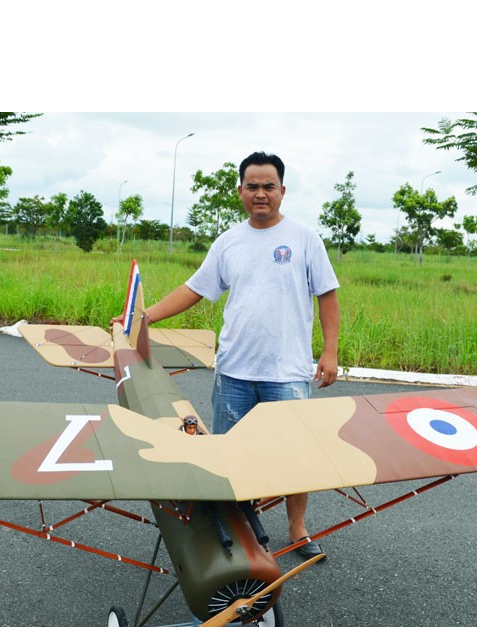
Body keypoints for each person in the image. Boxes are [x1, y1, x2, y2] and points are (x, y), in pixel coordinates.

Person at [114, 151, 340, 560]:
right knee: (233, 456)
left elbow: (327, 295)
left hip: (287, 373)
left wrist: (329, 351)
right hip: (235, 371)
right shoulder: (229, 242)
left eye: (268, 186)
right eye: (251, 186)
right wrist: (142, 316)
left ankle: (297, 528)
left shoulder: (305, 239)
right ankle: (244, 533)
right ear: (239, 191)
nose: (260, 193)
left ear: (283, 191)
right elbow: (195, 289)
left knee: (297, 456)